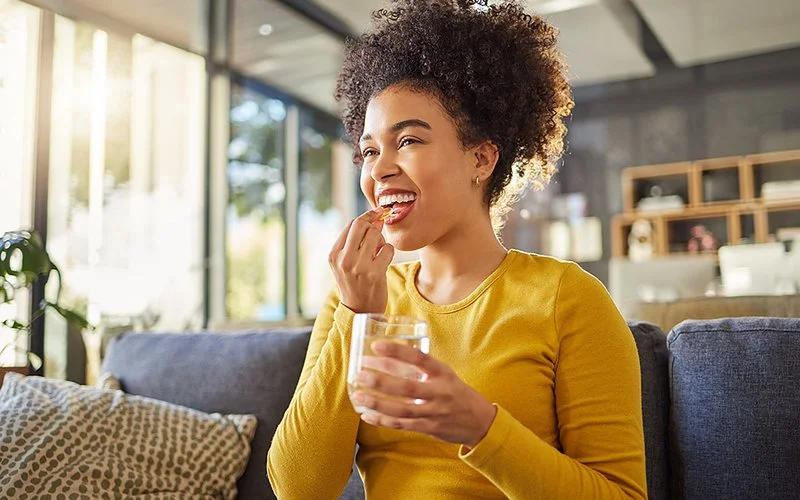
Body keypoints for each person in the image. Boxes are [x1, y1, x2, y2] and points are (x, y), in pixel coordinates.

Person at [267, 1, 647, 498]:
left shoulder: (567, 298)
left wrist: (481, 427)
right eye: (369, 151)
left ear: (481, 158)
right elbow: (299, 487)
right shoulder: (356, 298)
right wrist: (358, 316)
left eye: (408, 140)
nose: (378, 169)